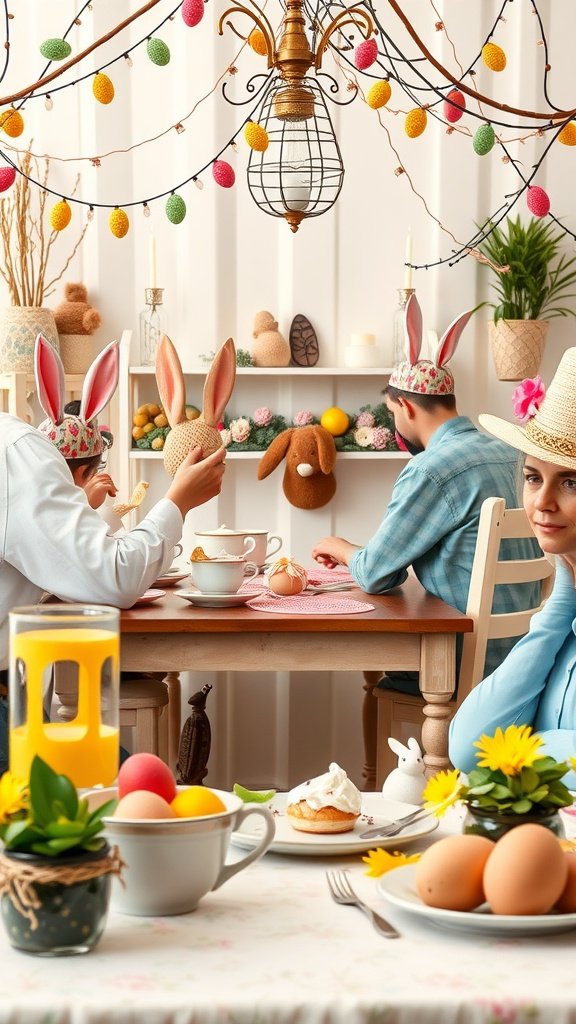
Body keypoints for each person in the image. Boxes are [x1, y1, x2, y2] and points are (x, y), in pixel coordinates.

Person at [0, 339, 226, 770]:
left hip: (18, 689)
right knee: (137, 781)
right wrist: (177, 502)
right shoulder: (17, 451)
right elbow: (113, 575)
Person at [311, 295, 540, 694]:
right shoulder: (510, 453)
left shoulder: (430, 469)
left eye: (392, 414)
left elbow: (376, 574)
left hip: (466, 661)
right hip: (524, 656)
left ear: (406, 407)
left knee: (380, 667)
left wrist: (342, 546)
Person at [450, 348, 576, 785]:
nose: (542, 503)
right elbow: (467, 747)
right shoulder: (562, 618)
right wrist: (563, 596)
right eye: (534, 477)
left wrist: (528, 748)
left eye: (571, 481)